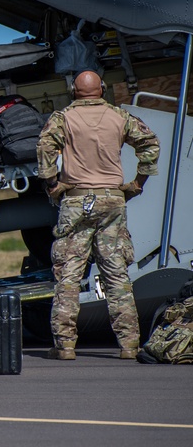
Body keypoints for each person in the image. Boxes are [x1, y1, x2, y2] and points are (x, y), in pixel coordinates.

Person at [37, 70, 160, 361]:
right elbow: (150, 144)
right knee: (117, 275)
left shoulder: (62, 118)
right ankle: (130, 345)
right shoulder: (119, 117)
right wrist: (137, 183)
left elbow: (44, 146)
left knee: (68, 276)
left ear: (73, 90)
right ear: (102, 89)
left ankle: (65, 345)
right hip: (112, 202)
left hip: (77, 202)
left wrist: (53, 183)